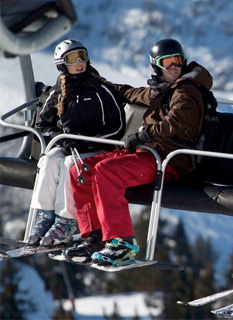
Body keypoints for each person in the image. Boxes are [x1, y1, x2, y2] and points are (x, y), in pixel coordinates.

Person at [65, 38, 213, 266]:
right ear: (156, 66)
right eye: (167, 62)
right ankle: (94, 236)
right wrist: (100, 83)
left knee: (107, 171)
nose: (174, 66)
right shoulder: (163, 91)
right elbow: (133, 94)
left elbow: (177, 122)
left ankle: (122, 243)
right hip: (149, 154)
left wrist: (144, 135)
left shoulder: (187, 91)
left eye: (177, 61)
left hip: (171, 160)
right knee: (80, 171)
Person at [27, 39, 126, 247]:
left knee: (70, 164)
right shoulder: (60, 90)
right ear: (62, 64)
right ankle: (45, 217)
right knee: (49, 160)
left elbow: (118, 128)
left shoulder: (100, 89)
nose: (80, 62)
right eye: (73, 58)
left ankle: (66, 221)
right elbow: (43, 125)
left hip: (98, 148)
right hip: (69, 146)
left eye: (83, 55)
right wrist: (62, 139)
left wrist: (87, 143)